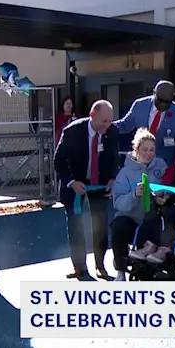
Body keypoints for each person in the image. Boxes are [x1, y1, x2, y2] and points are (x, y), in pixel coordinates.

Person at [54, 100, 120, 280]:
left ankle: (100, 265)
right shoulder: (72, 132)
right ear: (92, 116)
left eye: (109, 121)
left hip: (100, 184)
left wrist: (113, 179)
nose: (107, 125)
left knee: (100, 225)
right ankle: (80, 267)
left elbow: (115, 158)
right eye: (103, 121)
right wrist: (71, 182)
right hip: (75, 184)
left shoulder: (112, 132)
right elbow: (58, 161)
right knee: (76, 226)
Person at [109, 128, 170, 281]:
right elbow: (118, 203)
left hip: (153, 218)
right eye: (145, 150)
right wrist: (134, 194)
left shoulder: (161, 167)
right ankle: (120, 271)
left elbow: (169, 186)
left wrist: (163, 196)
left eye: (152, 150)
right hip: (131, 217)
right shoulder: (125, 173)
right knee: (118, 225)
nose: (148, 153)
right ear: (136, 150)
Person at [114, 80, 175, 167]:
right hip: (139, 164)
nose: (162, 104)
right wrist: (106, 125)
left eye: (167, 102)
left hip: (164, 168)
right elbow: (125, 125)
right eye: (160, 100)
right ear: (154, 93)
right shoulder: (140, 105)